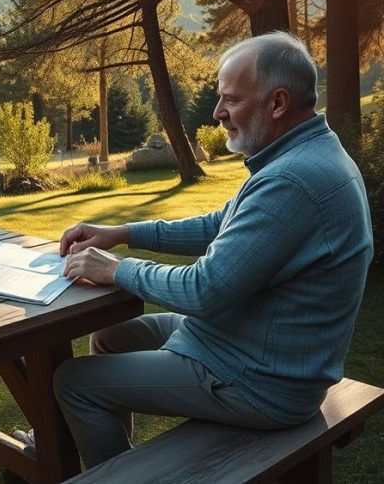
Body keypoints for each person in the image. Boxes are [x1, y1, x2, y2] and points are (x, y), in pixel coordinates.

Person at [31, 31, 372, 469]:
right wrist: (123, 231)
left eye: (230, 100)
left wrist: (117, 269)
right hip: (241, 341)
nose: (217, 114)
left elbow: (204, 290)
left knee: (73, 383)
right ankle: (119, 459)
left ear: (277, 103)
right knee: (110, 337)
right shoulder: (304, 153)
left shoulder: (292, 180)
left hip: (260, 381)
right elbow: (219, 226)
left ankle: (118, 477)